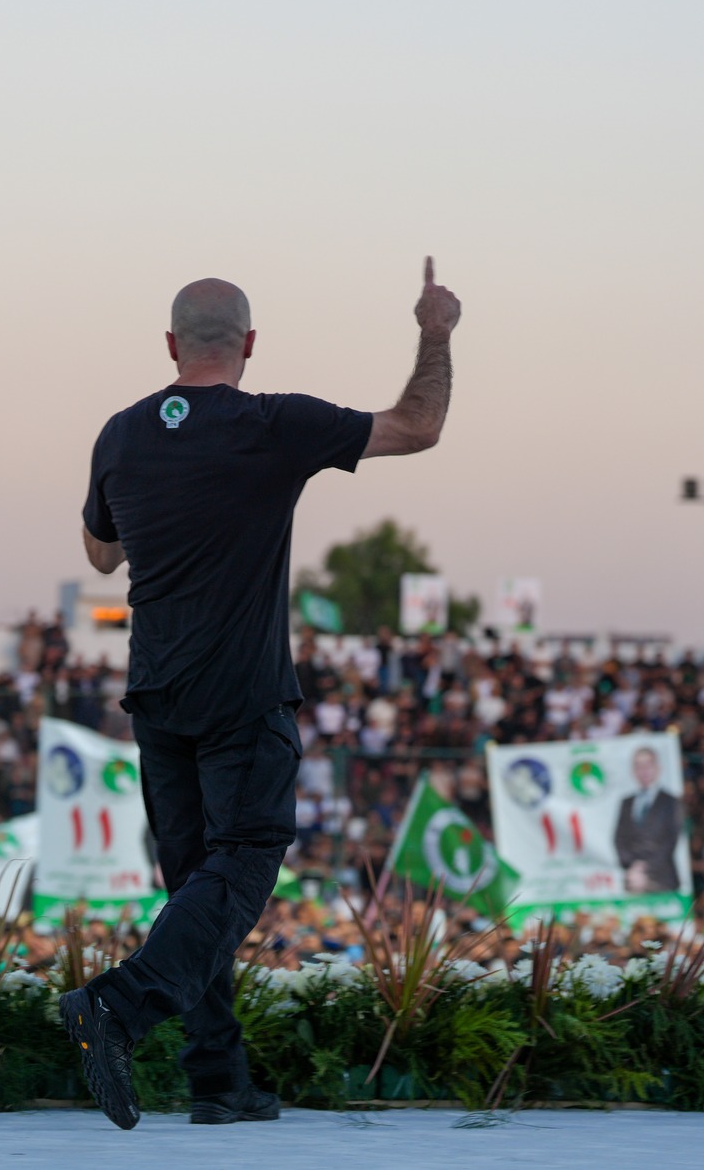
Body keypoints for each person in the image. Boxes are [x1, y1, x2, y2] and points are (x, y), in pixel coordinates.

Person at [60, 258, 460, 1130]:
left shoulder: (121, 434)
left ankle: (218, 1077)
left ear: (171, 345)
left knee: (196, 889)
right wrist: (435, 330)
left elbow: (100, 555)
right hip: (241, 693)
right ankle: (117, 1008)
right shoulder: (274, 425)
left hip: (156, 691)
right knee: (242, 863)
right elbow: (418, 425)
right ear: (249, 345)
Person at [613, 745, 682, 894]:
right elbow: (619, 838)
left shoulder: (671, 802)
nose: (643, 770)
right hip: (633, 880)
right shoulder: (626, 803)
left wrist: (646, 869)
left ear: (657, 768)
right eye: (638, 765)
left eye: (648, 764)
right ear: (633, 771)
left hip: (663, 880)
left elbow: (670, 840)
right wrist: (633, 867)